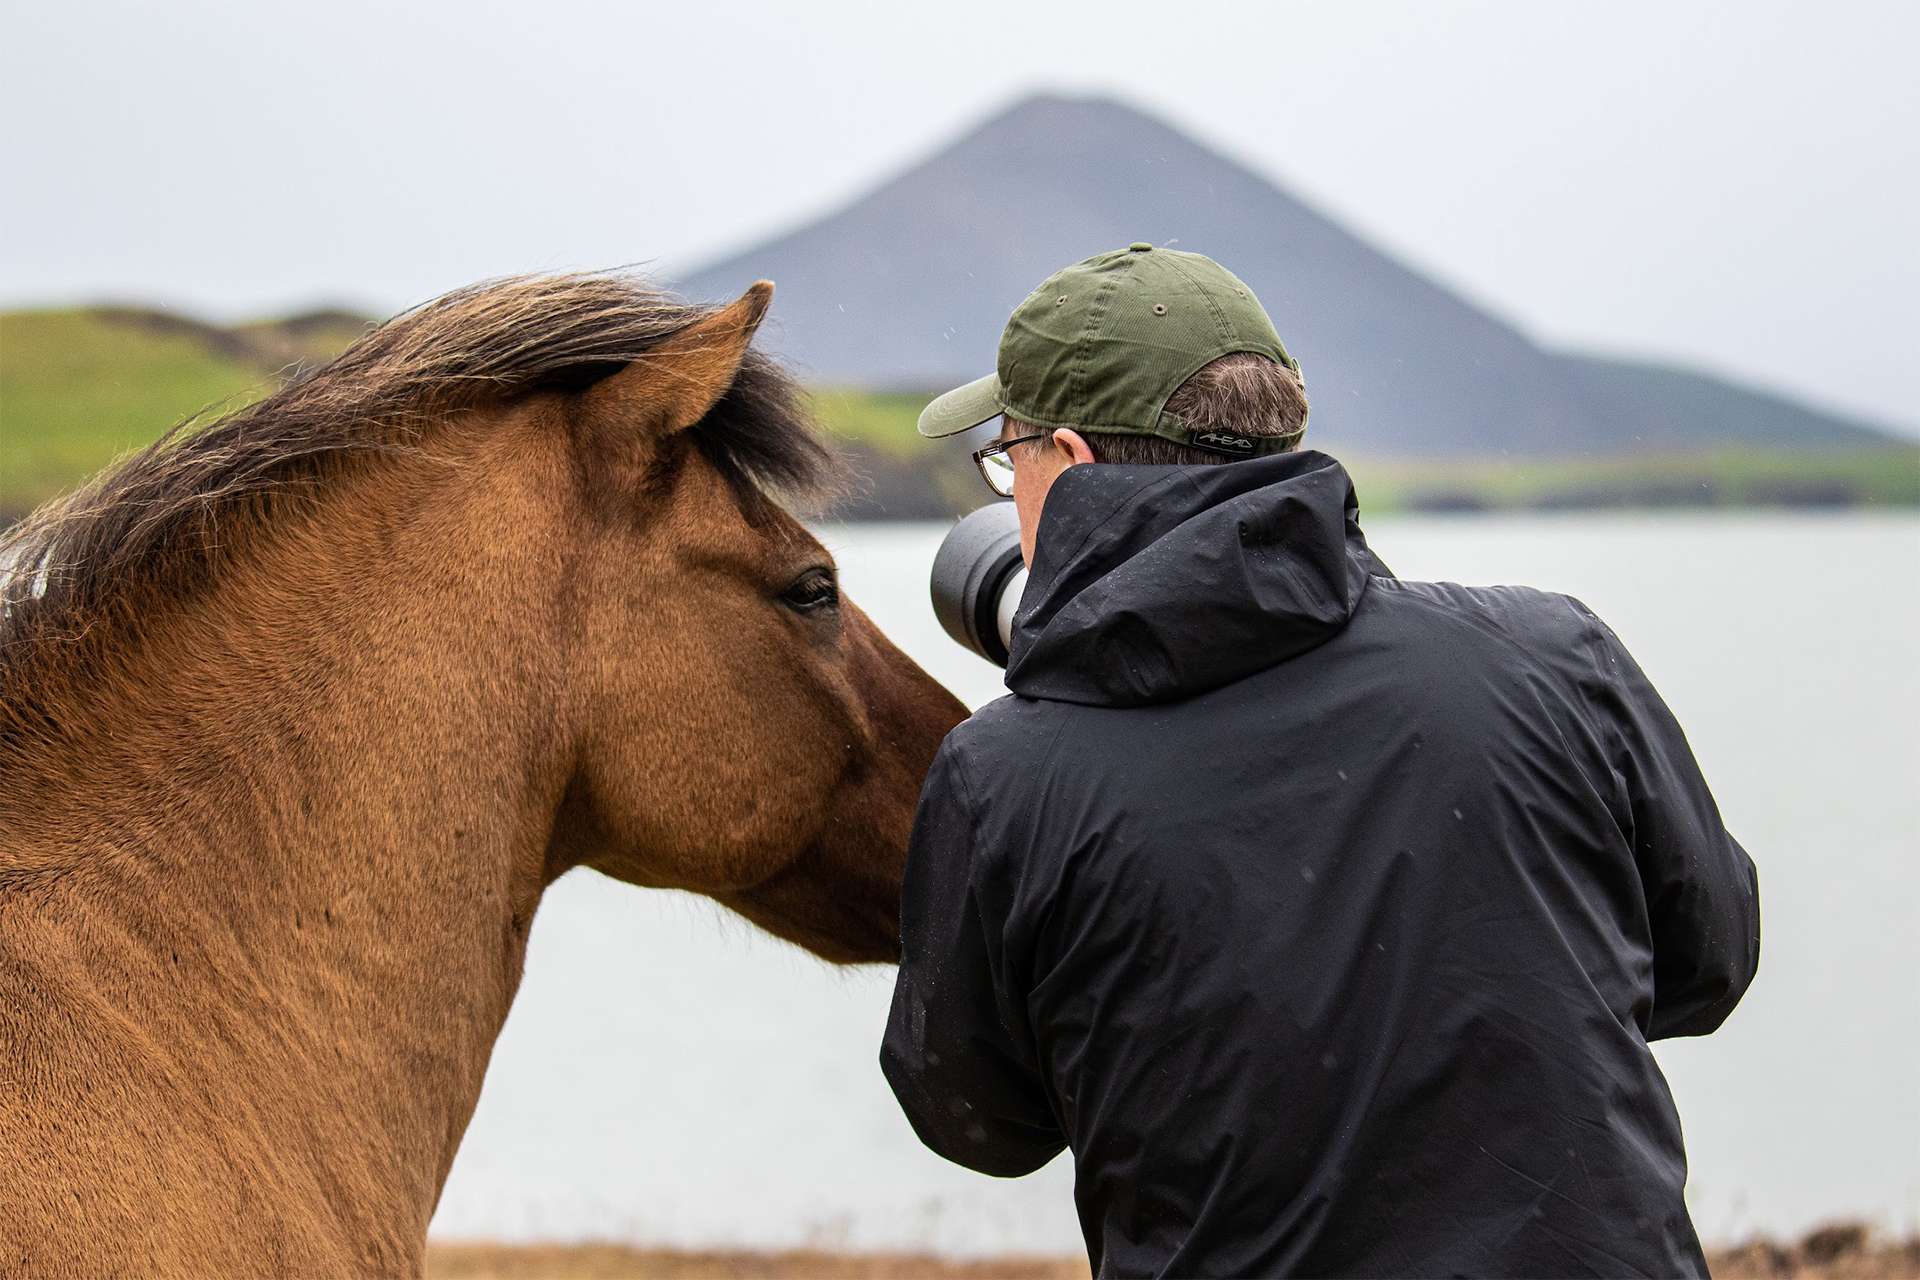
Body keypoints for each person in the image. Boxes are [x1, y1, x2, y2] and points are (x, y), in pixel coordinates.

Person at [880, 244, 1760, 1278]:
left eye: (1007, 458)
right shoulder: (1553, 656)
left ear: (1068, 465)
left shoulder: (1006, 779)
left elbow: (975, 1116)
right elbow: (1709, 959)